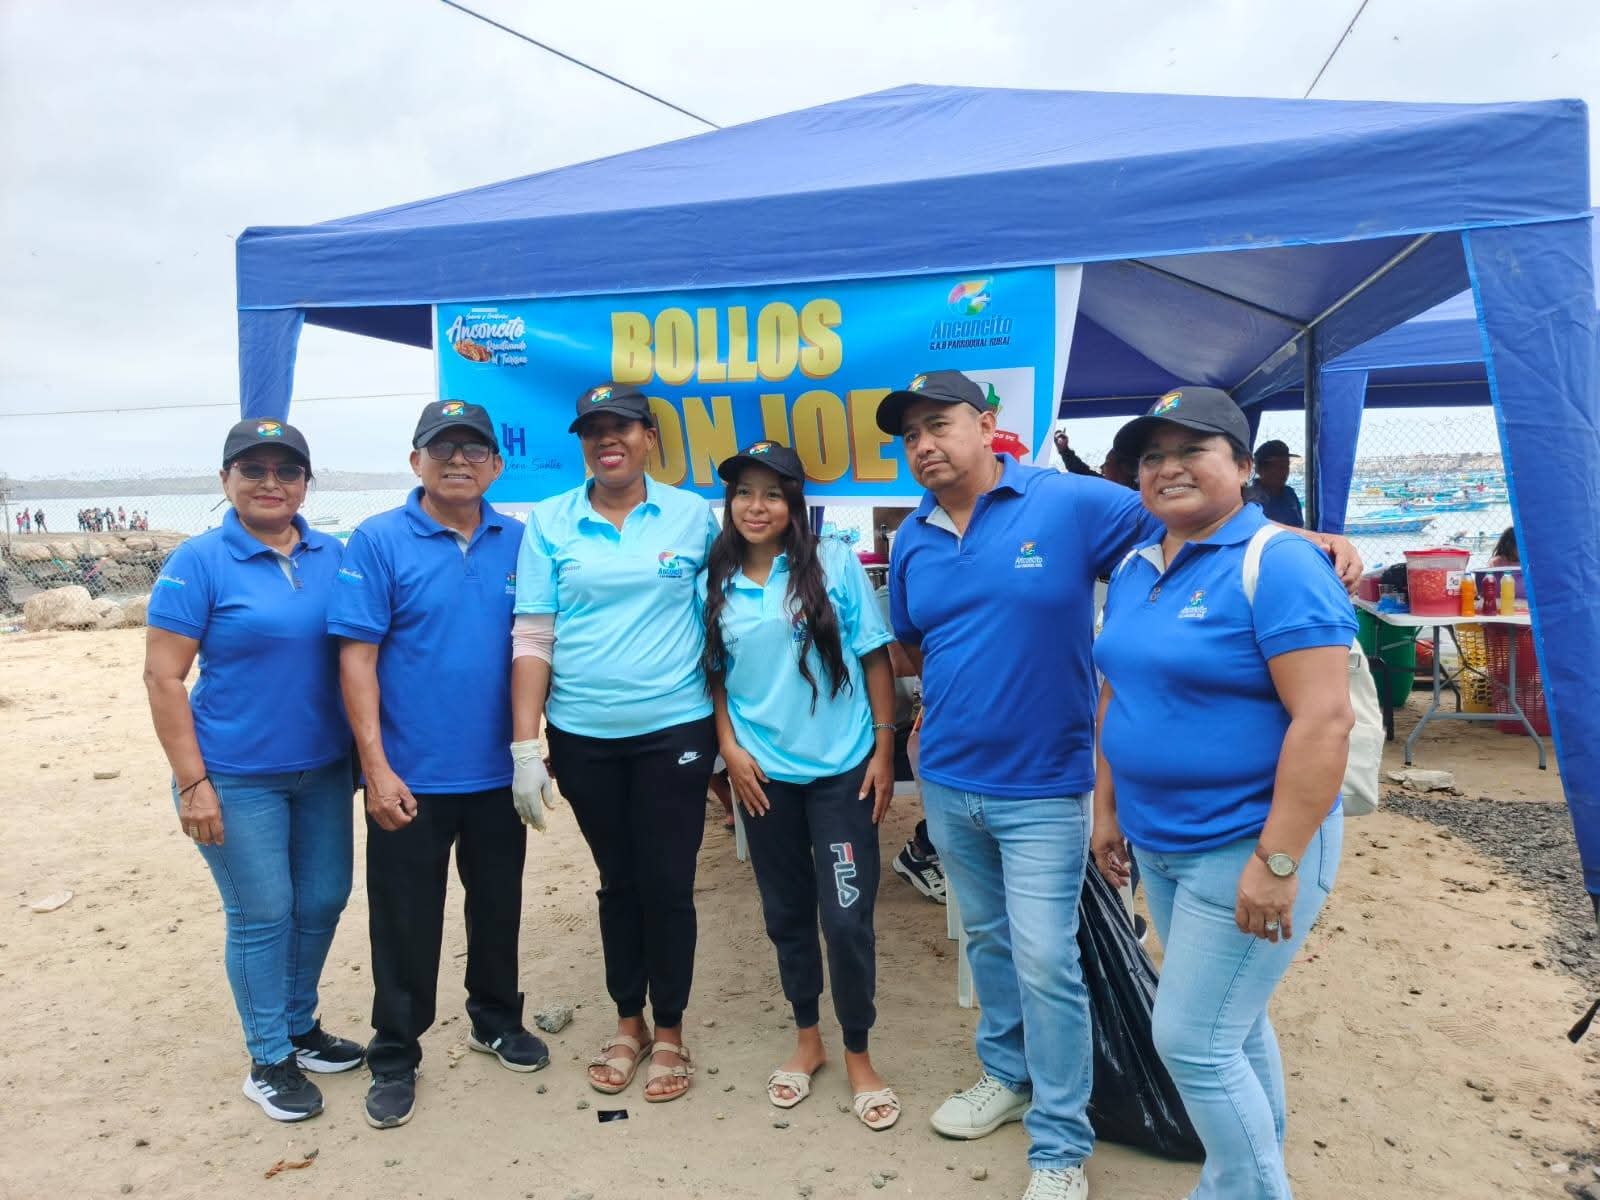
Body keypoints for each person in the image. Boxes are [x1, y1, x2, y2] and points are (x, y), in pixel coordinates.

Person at [878, 373, 1359, 1200]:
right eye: (909, 434)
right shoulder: (916, 539)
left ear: (986, 425)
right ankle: (1009, 1073)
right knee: (989, 943)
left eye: (939, 424)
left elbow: (1206, 524)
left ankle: (1061, 1143)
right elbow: (916, 644)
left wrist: (1305, 536)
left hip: (1053, 786)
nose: (924, 444)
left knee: (1050, 962)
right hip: (961, 779)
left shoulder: (1067, 502)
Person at [1091, 387, 1354, 1200]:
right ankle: (1253, 1175)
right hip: (1161, 839)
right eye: (1151, 456)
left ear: (1242, 467)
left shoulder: (1277, 564)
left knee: (1192, 1040)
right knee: (1227, 1028)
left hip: (1246, 840)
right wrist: (1107, 809)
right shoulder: (1138, 566)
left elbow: (1325, 720)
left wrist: (1277, 862)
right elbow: (1118, 690)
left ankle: (1243, 1189)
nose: (1167, 467)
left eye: (1191, 450)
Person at [329, 399, 545, 1131]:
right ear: (415, 460)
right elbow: (356, 659)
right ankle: (395, 1052)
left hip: (497, 772)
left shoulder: (520, 541)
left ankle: (496, 1020)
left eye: (474, 449)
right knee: (405, 922)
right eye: (442, 448)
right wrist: (375, 767)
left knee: (498, 908)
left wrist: (532, 751)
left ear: (497, 465)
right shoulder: (378, 539)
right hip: (409, 777)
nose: (458, 461)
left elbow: (538, 646)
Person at [143, 418, 361, 1123]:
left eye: (286, 470)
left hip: (324, 770)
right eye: (253, 470)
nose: (271, 483)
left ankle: (299, 1026)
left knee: (323, 899)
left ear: (306, 482)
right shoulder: (199, 561)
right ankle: (268, 1058)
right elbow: (164, 678)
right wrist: (192, 784)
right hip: (234, 777)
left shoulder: (335, 554)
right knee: (263, 913)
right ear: (225, 479)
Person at [510, 382, 718, 1104]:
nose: (608, 440)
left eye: (623, 427)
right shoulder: (551, 520)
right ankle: (629, 1022)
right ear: (582, 443)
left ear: (649, 438)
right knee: (617, 881)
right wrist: (525, 748)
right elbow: (534, 635)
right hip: (583, 736)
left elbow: (722, 622)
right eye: (594, 430)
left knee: (668, 882)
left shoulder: (691, 516)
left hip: (675, 728)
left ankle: (671, 1030)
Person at [703, 440, 902, 1130]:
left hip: (842, 771)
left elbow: (875, 658)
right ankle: (808, 1040)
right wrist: (728, 748)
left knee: (846, 920)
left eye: (772, 493)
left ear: (794, 503)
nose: (756, 506)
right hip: (763, 777)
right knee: (786, 913)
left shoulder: (833, 562)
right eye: (743, 493)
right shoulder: (716, 577)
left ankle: (858, 1053)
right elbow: (716, 674)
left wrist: (883, 749)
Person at [1243, 439, 1304, 528]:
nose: (1284, 471)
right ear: (1261, 469)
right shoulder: (1249, 499)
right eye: (1279, 467)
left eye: (1286, 466)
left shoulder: (1290, 494)